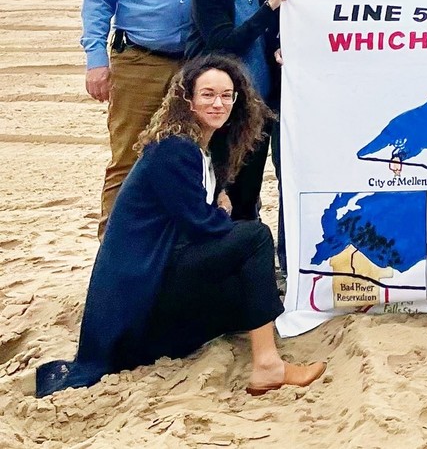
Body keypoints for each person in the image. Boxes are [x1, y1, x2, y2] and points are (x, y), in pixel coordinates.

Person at [35, 55, 325, 398]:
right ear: (186, 99)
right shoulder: (174, 150)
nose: (218, 103)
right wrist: (220, 209)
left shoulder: (200, 149)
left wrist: (219, 207)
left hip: (160, 280)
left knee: (245, 286)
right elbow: (201, 226)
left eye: (227, 95)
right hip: (139, 302)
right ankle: (268, 365)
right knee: (256, 237)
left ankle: (262, 353)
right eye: (207, 94)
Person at [81, 0, 218, 237]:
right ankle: (114, 249)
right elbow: (98, 0)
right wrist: (96, 60)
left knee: (194, 156)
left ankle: (182, 248)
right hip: (138, 60)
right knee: (128, 156)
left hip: (195, 64)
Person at [188, 0, 289, 224]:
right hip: (222, 107)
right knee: (220, 190)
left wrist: (280, 49)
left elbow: (274, 34)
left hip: (260, 105)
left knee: (249, 193)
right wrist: (268, 8)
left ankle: (246, 263)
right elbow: (223, 45)